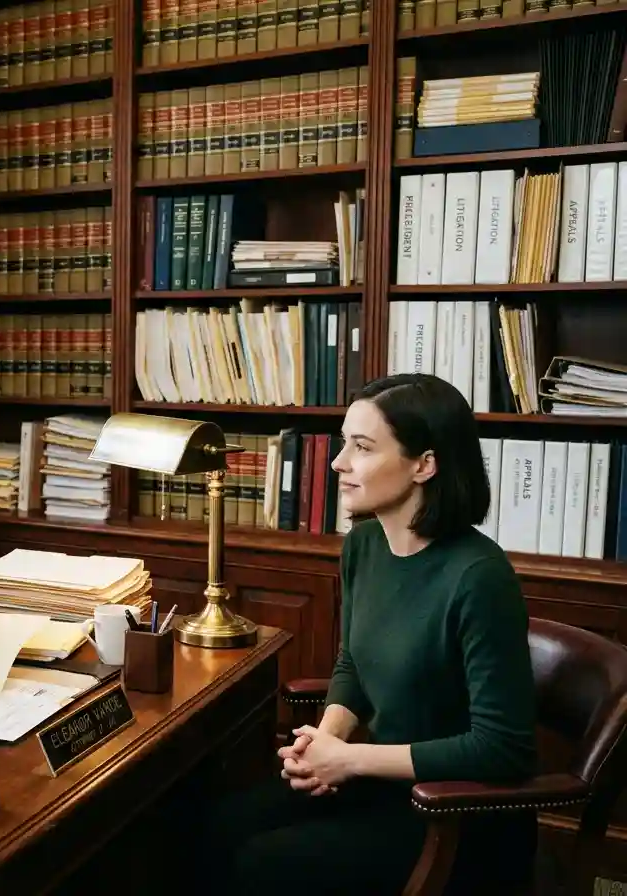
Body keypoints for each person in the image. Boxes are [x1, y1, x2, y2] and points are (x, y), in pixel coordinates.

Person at [209, 373, 538, 894]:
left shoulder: (480, 577)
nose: (338, 463)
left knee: (262, 863)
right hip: (378, 781)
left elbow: (502, 749)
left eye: (361, 447)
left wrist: (349, 760)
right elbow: (353, 663)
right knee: (217, 826)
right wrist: (325, 743)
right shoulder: (363, 546)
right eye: (345, 443)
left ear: (424, 465)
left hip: (456, 812)